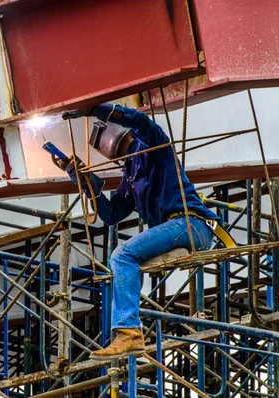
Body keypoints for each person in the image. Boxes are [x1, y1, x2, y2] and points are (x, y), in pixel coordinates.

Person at [61, 103, 219, 361]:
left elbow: (141, 121)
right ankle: (129, 332)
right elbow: (112, 215)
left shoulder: (155, 147)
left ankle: (129, 334)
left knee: (122, 255)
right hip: (176, 230)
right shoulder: (130, 172)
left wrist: (95, 109)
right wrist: (81, 179)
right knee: (124, 257)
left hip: (191, 224)